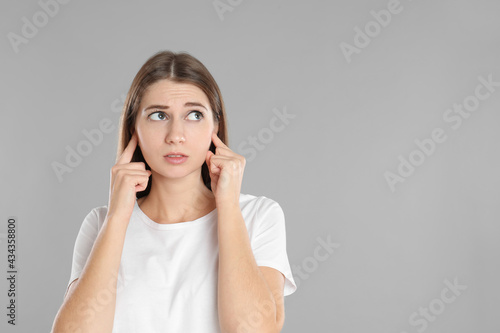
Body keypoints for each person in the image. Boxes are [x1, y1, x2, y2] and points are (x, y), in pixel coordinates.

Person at [51, 50, 297, 333]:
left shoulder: (259, 216)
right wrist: (118, 216)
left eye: (194, 115)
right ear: (134, 129)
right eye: (158, 115)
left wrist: (227, 205)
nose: (175, 135)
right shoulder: (100, 224)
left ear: (215, 126)